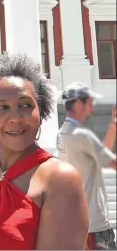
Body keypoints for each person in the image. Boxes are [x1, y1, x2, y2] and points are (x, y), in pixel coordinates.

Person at [0, 54, 89, 250]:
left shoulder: (60, 179)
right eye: (2, 107)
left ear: (41, 111)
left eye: (25, 105)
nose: (16, 117)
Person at [57, 82, 116, 250]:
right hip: (95, 223)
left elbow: (101, 156)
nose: (91, 107)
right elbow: (112, 162)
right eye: (89, 103)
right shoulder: (81, 135)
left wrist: (113, 125)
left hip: (76, 221)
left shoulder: (61, 133)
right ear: (77, 104)